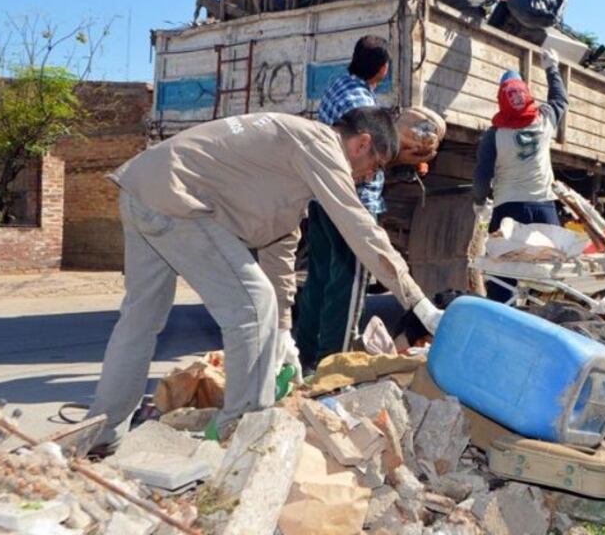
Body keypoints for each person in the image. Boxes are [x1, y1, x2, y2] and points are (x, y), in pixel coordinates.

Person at [86, 108, 444, 452]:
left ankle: (102, 432)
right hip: (176, 198)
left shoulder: (290, 163)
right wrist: (418, 303)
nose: (369, 177)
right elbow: (361, 229)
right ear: (361, 144)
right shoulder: (319, 143)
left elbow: (279, 252)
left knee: (140, 322)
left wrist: (284, 331)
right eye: (374, 166)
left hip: (141, 189)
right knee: (252, 306)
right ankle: (241, 436)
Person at [295, 35, 390, 372]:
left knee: (319, 278)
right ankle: (332, 364)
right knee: (347, 283)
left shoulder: (336, 87)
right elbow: (368, 153)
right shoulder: (364, 104)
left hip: (321, 198)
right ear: (382, 69)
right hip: (353, 203)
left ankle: (304, 356)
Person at [472, 48, 567, 301]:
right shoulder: (544, 121)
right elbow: (560, 100)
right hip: (544, 211)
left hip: (508, 212)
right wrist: (552, 69)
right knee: (548, 277)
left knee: (501, 278)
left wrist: (479, 203)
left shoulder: (494, 135)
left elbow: (482, 176)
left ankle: (502, 324)